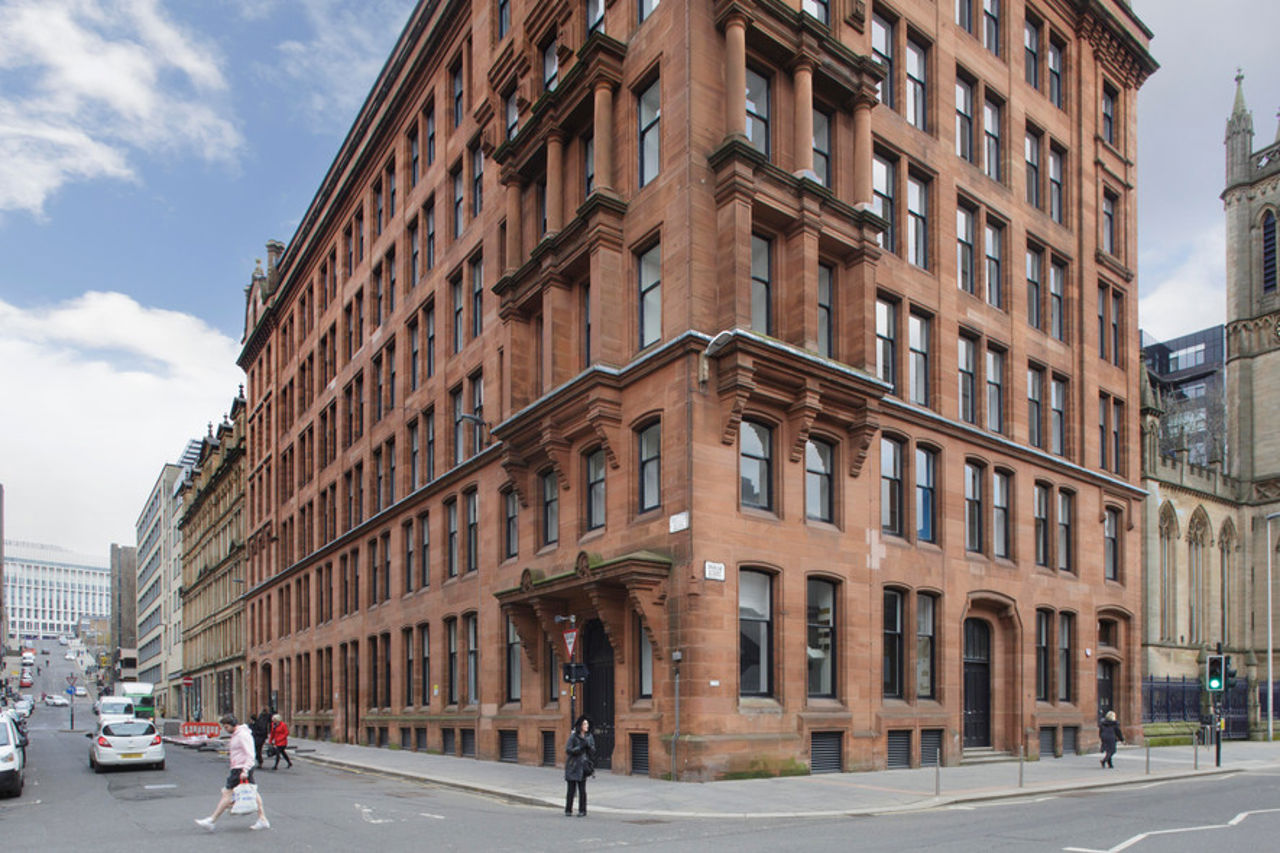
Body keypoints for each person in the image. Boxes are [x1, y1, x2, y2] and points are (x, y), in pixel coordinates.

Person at [194, 714, 270, 831]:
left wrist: (245, 770)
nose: (225, 729)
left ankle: (212, 820)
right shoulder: (237, 734)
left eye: (226, 727)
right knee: (252, 792)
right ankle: (262, 819)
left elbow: (250, 754)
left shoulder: (242, 735)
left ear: (233, 724)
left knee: (227, 794)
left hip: (241, 768)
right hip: (238, 768)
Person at [563, 715, 596, 817]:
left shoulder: (589, 737)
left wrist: (589, 746)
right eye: (585, 724)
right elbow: (568, 750)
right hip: (573, 765)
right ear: (580, 726)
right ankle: (568, 809)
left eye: (587, 724)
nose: (587, 726)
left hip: (583, 766)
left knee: (582, 790)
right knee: (571, 790)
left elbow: (593, 751)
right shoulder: (573, 736)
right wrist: (579, 747)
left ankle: (582, 810)